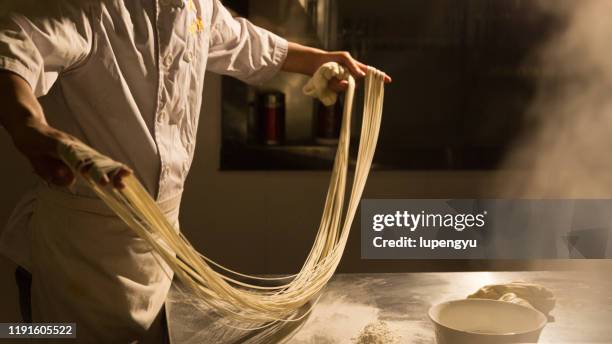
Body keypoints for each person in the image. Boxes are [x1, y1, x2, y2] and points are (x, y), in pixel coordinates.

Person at [0, 0, 390, 342]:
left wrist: (318, 60)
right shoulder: (89, 6)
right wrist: (29, 126)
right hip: (79, 253)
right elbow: (13, 49)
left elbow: (244, 42)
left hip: (156, 246)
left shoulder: (197, 7)